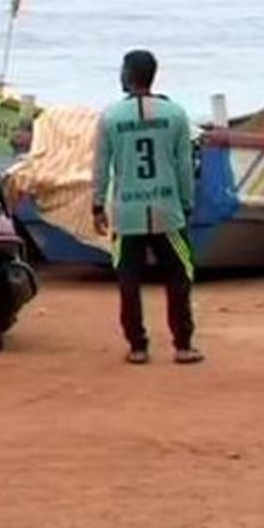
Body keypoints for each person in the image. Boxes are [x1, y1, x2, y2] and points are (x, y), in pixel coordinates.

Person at [92, 49, 203, 366]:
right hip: (168, 210)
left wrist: (97, 205)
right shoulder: (176, 114)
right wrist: (187, 204)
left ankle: (137, 346)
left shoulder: (111, 117)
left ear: (127, 76)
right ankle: (183, 345)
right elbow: (184, 167)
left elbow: (100, 167)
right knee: (180, 277)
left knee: (128, 281)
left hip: (127, 215)